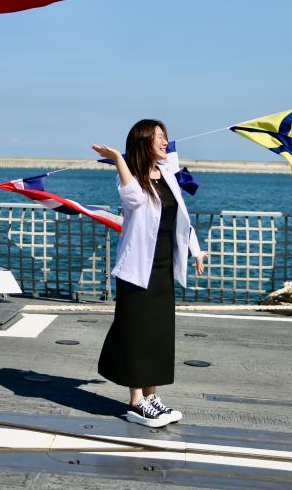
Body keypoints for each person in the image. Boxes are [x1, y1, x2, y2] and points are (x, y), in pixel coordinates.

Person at [92, 119, 207, 428]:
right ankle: (136, 402)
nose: (164, 141)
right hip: (137, 269)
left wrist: (196, 250)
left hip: (162, 268)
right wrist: (119, 160)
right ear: (143, 142)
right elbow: (133, 199)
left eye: (164, 136)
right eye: (157, 136)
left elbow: (181, 218)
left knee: (158, 334)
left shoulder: (167, 174)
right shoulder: (132, 178)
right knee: (137, 334)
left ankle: (152, 396)